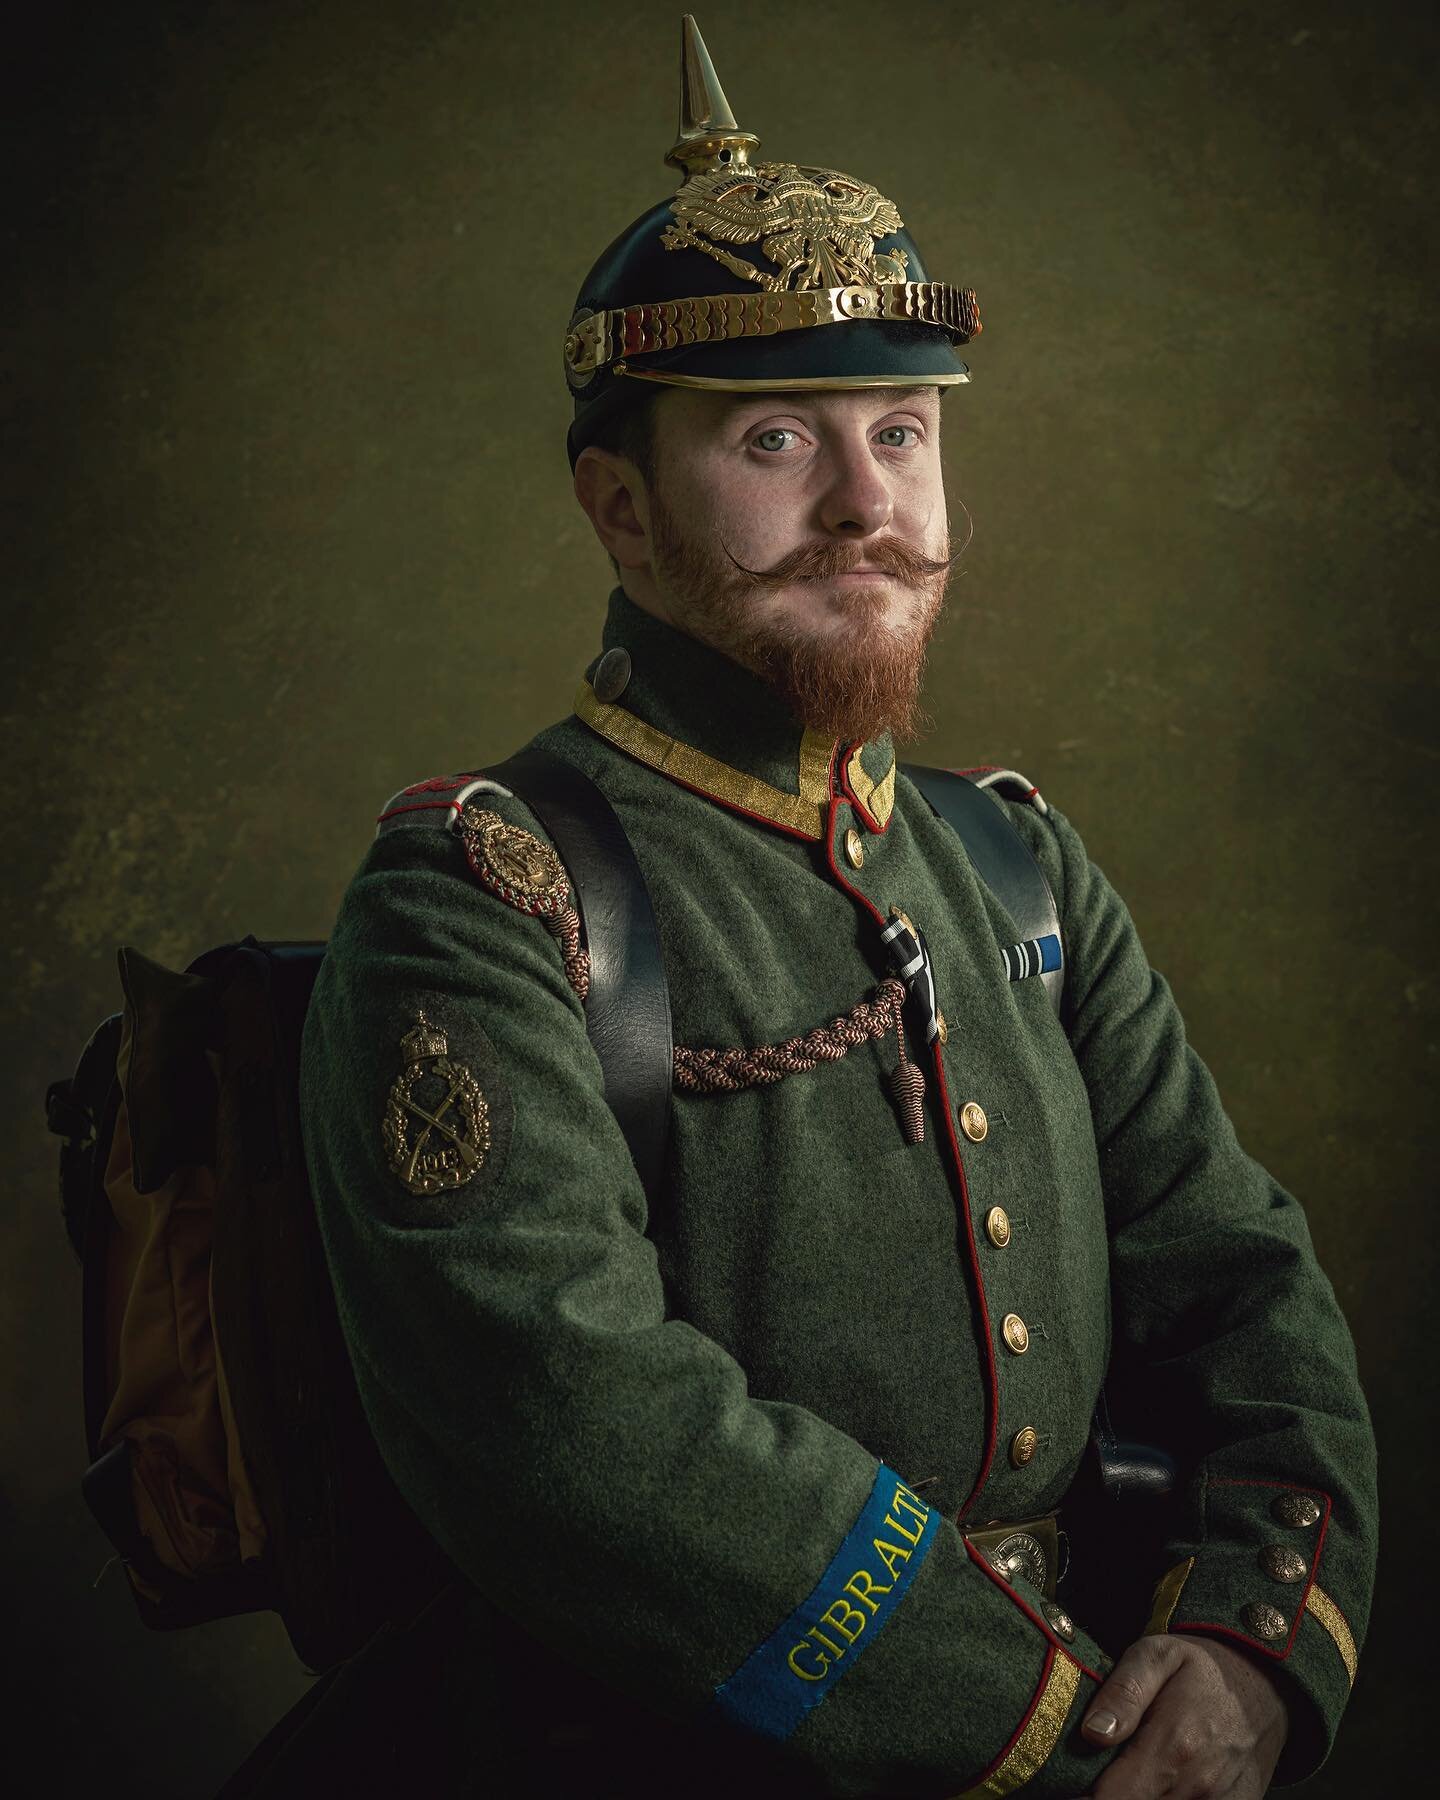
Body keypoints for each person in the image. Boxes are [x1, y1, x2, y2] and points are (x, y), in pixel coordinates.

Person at [278, 17, 1377, 1798]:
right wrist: (1053, 1733)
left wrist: (1250, 1647)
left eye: (903, 432)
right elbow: (571, 1432)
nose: (869, 504)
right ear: (620, 509)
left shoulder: (1020, 864)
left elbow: (1242, 1280)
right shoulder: (480, 895)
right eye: (778, 437)